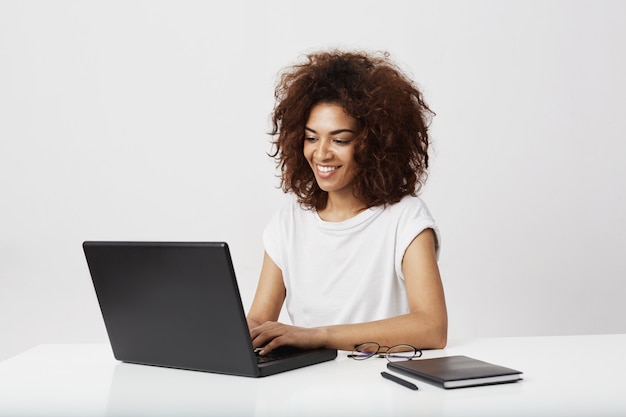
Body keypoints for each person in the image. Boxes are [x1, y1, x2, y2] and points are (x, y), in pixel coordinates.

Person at [247, 49, 447, 355]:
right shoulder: (287, 223)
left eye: (339, 140)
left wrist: (317, 336)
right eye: (311, 138)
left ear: (374, 144)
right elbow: (259, 319)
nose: (322, 153)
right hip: (304, 390)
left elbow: (432, 327)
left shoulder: (406, 219)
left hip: (381, 389)